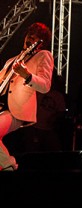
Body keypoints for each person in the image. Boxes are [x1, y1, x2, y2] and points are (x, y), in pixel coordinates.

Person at [0, 22, 54, 170]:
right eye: (29, 34)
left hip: (16, 109)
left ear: (40, 43)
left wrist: (28, 76)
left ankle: (8, 166)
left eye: (36, 36)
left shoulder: (43, 55)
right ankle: (5, 166)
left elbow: (45, 86)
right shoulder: (11, 61)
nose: (31, 37)